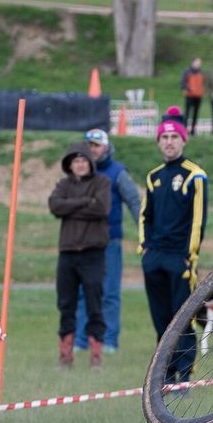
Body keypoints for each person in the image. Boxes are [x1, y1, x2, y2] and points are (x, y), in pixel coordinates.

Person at [140, 110, 208, 384]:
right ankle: (164, 375)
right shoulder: (153, 177)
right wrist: (144, 248)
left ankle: (184, 375)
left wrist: (189, 255)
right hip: (154, 257)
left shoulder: (195, 176)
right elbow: (146, 216)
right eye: (164, 137)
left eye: (173, 137)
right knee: (161, 319)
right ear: (158, 142)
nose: (169, 142)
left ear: (183, 140)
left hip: (179, 258)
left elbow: (197, 221)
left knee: (182, 318)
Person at [74, 128, 141, 356]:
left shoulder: (118, 172)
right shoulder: (80, 172)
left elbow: (134, 203)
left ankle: (110, 340)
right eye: (89, 145)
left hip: (110, 242)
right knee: (84, 292)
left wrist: (145, 232)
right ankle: (81, 341)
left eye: (96, 145)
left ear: (105, 147)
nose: (92, 149)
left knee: (110, 293)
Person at [50, 140, 111, 368]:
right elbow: (55, 205)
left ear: (90, 162)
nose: (80, 164)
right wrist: (84, 203)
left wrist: (71, 206)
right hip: (67, 253)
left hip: (93, 254)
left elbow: (101, 208)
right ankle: (65, 355)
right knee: (66, 304)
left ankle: (96, 355)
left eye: (84, 160)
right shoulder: (62, 185)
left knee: (94, 304)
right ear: (70, 164)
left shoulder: (102, 182)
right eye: (76, 161)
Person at [180, 57, 205, 135]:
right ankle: (184, 129)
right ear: (193, 62)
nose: (198, 64)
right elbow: (183, 82)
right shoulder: (187, 71)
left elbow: (203, 83)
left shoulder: (201, 73)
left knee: (196, 113)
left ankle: (193, 130)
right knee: (187, 112)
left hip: (198, 96)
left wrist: (202, 90)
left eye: (199, 63)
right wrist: (189, 88)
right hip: (189, 95)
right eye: (197, 62)